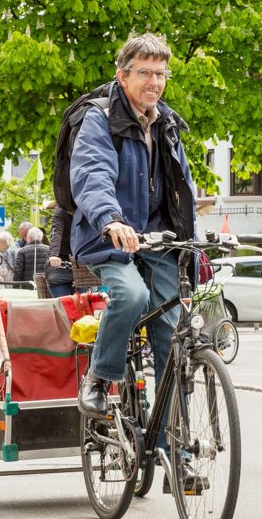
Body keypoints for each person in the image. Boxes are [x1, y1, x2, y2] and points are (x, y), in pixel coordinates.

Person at [70, 34, 198, 489]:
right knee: (131, 294)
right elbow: (91, 173)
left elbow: (183, 193)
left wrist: (196, 248)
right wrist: (110, 219)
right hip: (108, 239)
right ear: (122, 75)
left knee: (172, 329)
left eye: (161, 74)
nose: (155, 82)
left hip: (158, 239)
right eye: (145, 72)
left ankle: (173, 449)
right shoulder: (99, 119)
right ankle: (101, 379)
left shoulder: (166, 124)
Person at [45, 207, 75, 297]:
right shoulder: (61, 210)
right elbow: (56, 232)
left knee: (87, 304)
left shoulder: (88, 207)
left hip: (82, 262)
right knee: (63, 303)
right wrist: (53, 255)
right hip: (60, 263)